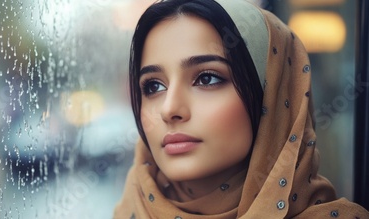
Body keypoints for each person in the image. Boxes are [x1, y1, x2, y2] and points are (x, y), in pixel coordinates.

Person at [114, 0, 369, 218]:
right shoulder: (130, 211)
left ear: (273, 95)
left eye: (206, 79)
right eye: (153, 86)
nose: (169, 109)